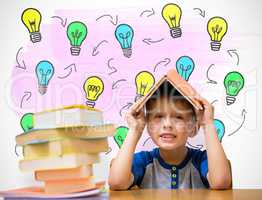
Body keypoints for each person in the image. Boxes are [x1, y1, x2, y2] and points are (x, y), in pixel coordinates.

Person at [109, 81, 232, 190]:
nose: (167, 125)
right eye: (158, 116)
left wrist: (207, 123)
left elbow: (221, 182)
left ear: (193, 127)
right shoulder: (144, 161)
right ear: (147, 125)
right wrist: (135, 129)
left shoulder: (201, 161)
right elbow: (117, 183)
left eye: (178, 117)